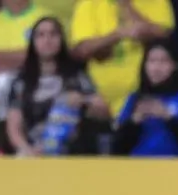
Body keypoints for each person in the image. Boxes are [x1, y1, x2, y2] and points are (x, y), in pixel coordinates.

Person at [6, 17, 105, 156]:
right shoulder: (21, 82)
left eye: (53, 34)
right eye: (41, 35)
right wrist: (27, 150)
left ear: (61, 40)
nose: (47, 40)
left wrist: (83, 100)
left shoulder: (76, 75)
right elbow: (14, 127)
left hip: (73, 153)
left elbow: (104, 110)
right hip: (34, 152)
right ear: (33, 42)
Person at [70, 0, 175, 118]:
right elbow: (81, 51)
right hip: (101, 100)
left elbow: (164, 37)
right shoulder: (89, 4)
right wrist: (117, 35)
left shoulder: (156, 2)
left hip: (148, 97)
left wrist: (126, 6)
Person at [114, 39, 178, 156]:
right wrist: (134, 121)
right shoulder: (135, 98)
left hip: (176, 167)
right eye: (151, 61)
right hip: (138, 166)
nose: (156, 68)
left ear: (175, 65)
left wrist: (167, 116)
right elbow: (118, 146)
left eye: (163, 61)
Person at [0, 0, 48, 126]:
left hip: (38, 80)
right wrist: (24, 55)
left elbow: (46, 56)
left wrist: (0, 56)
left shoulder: (44, 17)